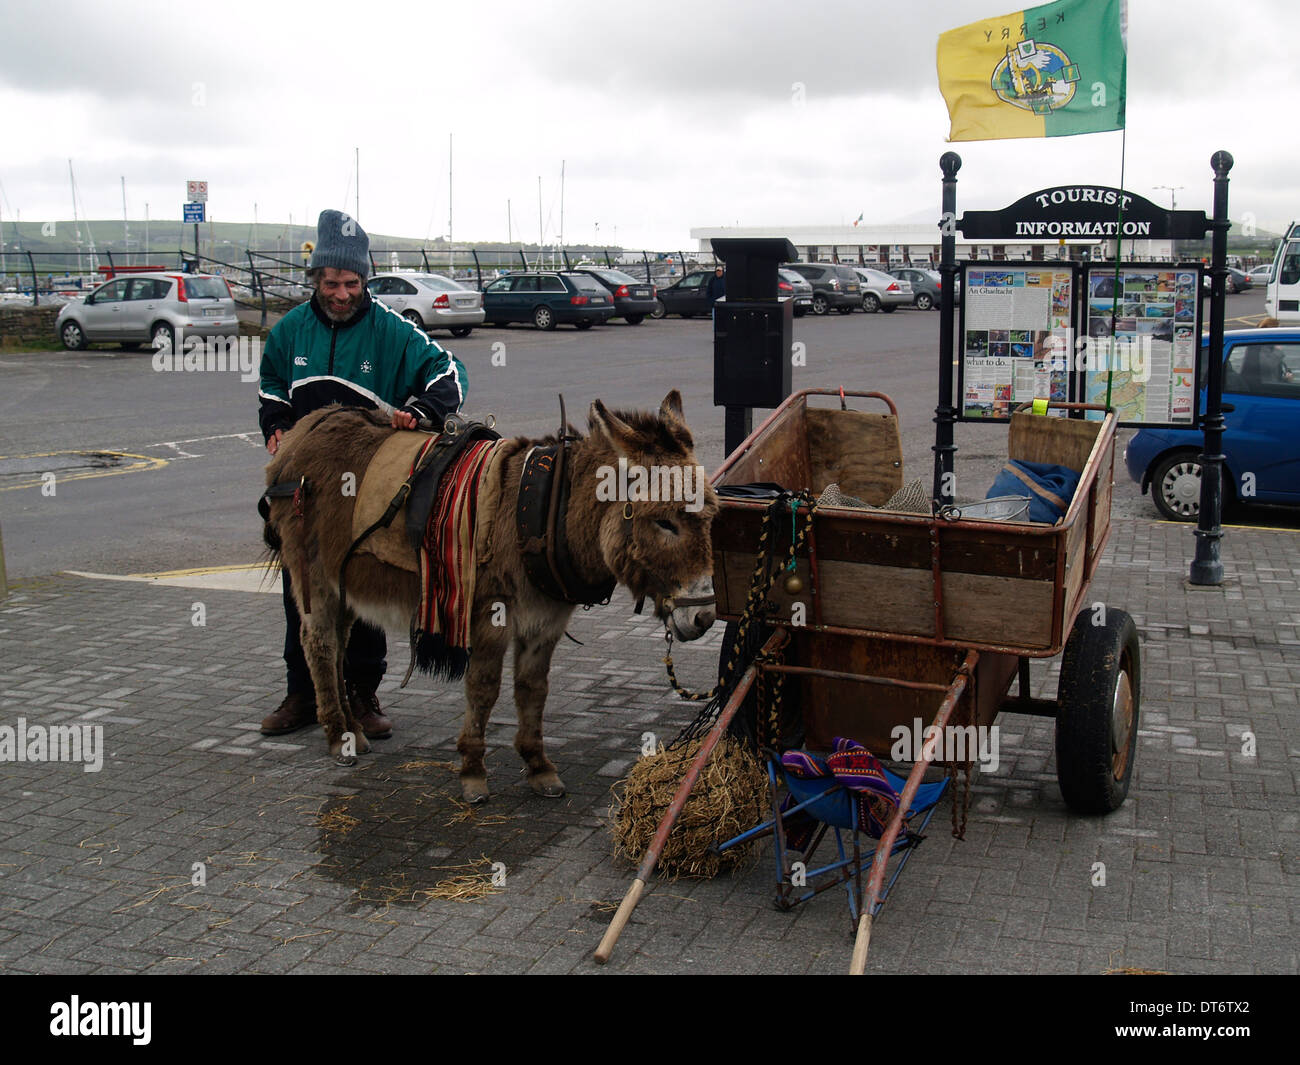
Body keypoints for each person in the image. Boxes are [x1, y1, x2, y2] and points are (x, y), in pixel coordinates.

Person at [257, 209, 467, 739]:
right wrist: (276, 425)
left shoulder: (393, 331)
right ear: (315, 280)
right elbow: (271, 388)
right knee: (302, 593)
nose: (343, 293)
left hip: (368, 492)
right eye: (332, 283)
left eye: (352, 283)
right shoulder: (287, 332)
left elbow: (451, 372)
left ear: (365, 279)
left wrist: (422, 412)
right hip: (304, 491)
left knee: (365, 589)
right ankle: (303, 694)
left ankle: (363, 693)